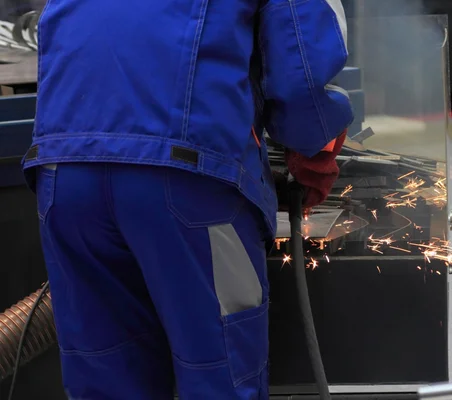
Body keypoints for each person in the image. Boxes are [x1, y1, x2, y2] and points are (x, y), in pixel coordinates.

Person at [22, 0, 354, 398]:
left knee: (106, 382)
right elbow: (304, 75)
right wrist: (314, 153)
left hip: (64, 173)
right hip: (184, 176)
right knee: (219, 379)